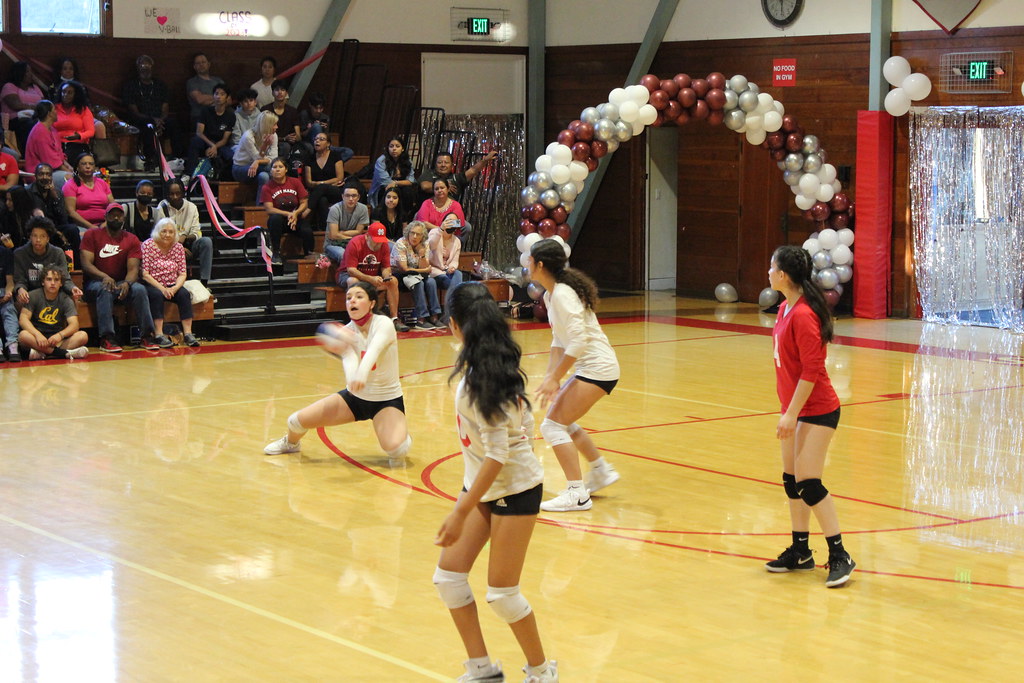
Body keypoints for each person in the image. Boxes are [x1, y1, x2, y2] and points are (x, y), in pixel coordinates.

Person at [433, 282, 558, 683]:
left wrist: (459, 512)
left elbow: (497, 455)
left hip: (515, 489)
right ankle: (482, 669)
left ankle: (541, 671)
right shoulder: (486, 363)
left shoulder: (479, 382)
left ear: (454, 325)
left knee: (503, 594)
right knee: (449, 579)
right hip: (483, 486)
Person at [765, 244, 855, 588]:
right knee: (792, 480)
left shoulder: (803, 314)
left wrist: (791, 414)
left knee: (808, 482)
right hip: (795, 409)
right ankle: (801, 551)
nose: (768, 273)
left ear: (783, 274)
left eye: (771, 268)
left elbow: (812, 370)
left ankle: (840, 554)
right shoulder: (786, 307)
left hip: (817, 409)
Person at [263, 280, 412, 466]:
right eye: (349, 298)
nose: (352, 302)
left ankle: (400, 433)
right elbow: (349, 358)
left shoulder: (384, 324)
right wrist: (353, 381)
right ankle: (291, 443)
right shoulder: (345, 332)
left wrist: (361, 376)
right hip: (355, 399)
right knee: (294, 421)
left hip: (386, 400)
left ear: (372, 303)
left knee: (397, 450)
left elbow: (373, 350)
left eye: (359, 297)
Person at [528, 238, 621, 512]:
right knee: (561, 421)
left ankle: (577, 494)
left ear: (540, 264)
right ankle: (601, 470)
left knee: (552, 426)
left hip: (598, 369)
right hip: (594, 369)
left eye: (530, 261)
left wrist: (557, 378)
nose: (528, 265)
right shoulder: (551, 294)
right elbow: (559, 341)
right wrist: (549, 378)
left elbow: (578, 342)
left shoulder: (563, 294)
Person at [80, 202, 158, 352]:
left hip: (121, 282)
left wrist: (128, 283)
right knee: (105, 288)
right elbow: (86, 265)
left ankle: (147, 336)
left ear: (124, 218)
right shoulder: (92, 234)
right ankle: (107, 338)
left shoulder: (131, 239)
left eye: (119, 215)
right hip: (95, 283)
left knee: (140, 289)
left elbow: (134, 268)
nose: (116, 217)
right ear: (106, 216)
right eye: (112, 214)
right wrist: (104, 276)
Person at [141, 218, 201, 348]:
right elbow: (145, 274)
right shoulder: (148, 245)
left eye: (171, 232)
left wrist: (174, 288)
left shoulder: (178, 247)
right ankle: (158, 334)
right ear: (157, 232)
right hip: (153, 284)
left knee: (184, 294)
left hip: (172, 284)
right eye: (164, 231)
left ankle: (188, 334)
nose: (167, 235)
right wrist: (162, 289)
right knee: (156, 296)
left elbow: (182, 274)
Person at [342, 222, 409, 333]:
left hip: (372, 275)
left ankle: (394, 319)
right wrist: (370, 279)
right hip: (349, 274)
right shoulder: (355, 243)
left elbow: (385, 267)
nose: (378, 244)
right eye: (375, 241)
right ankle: (355, 321)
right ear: (367, 236)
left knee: (393, 281)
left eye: (381, 241)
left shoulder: (384, 245)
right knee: (353, 282)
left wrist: (386, 276)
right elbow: (351, 270)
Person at [122, 54, 183, 166]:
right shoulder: (131, 86)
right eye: (142, 66)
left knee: (174, 124)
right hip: (140, 119)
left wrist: (160, 121)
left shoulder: (160, 85)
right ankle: (151, 160)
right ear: (138, 68)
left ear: (152, 67)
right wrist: (153, 120)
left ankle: (178, 158)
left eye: (148, 66)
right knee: (148, 126)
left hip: (160, 119)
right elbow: (134, 111)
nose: (145, 68)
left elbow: (165, 108)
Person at [17, 267, 89, 360]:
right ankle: (61, 353)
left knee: (83, 336)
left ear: (61, 283)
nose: (52, 283)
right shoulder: (33, 295)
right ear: (43, 282)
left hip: (57, 340)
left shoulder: (66, 299)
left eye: (56, 280)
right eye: (49, 279)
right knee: (23, 335)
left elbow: (74, 325)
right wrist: (37, 335)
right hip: (37, 339)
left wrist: (60, 335)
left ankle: (44, 353)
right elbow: (23, 319)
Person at [154, 179, 214, 287]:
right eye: (171, 194)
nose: (175, 197)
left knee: (206, 242)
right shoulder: (161, 208)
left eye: (178, 193)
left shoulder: (191, 207)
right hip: (169, 247)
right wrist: (178, 248)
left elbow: (196, 233)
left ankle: (205, 283)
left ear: (183, 193)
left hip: (189, 246)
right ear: (167, 195)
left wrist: (184, 237)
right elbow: (161, 234)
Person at [13, 216, 81, 305]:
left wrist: (72, 288)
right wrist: (20, 289)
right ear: (30, 237)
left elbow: (65, 279)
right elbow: (20, 280)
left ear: (48, 238)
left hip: (53, 293)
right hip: (30, 294)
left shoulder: (58, 253)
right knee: (20, 299)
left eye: (42, 236)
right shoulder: (19, 254)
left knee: (71, 298)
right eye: (34, 236)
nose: (38, 240)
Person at [260, 157, 311, 263]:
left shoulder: (295, 182)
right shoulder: (267, 187)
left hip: (295, 219)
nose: (277, 169)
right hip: (279, 221)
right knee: (275, 219)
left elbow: (304, 203)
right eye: (274, 167)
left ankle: (309, 253)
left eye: (280, 167)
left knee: (307, 230)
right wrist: (288, 214)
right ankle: (276, 253)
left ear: (286, 169)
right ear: (271, 171)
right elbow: (269, 209)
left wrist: (296, 213)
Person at [26, 164, 79, 265]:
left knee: (72, 230)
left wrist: (54, 197)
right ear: (35, 176)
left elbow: (63, 219)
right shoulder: (28, 192)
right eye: (41, 174)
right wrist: (56, 232)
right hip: (37, 228)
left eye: (48, 174)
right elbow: (36, 219)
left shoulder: (57, 192)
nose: (45, 177)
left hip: (56, 227)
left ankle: (77, 267)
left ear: (51, 177)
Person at [392, 221, 439, 330]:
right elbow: (404, 268)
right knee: (418, 282)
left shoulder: (425, 244)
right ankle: (420, 319)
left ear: (423, 236)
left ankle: (434, 317)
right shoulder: (401, 244)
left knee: (431, 282)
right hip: (400, 275)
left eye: (418, 234)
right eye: (412, 233)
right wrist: (424, 270)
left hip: (416, 273)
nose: (414, 236)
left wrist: (421, 255)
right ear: (408, 232)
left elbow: (425, 266)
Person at [186, 82, 234, 173]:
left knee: (230, 156)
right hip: (205, 141)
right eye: (216, 94)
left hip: (220, 144)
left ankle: (222, 179)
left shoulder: (230, 115)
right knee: (195, 141)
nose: (218, 96)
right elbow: (199, 133)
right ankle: (190, 173)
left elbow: (225, 139)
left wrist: (215, 146)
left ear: (227, 98)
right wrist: (211, 145)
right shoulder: (205, 111)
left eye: (222, 94)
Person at [62, 152, 115, 232]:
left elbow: (113, 205)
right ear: (77, 167)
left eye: (91, 164)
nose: (88, 166)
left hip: (105, 224)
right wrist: (91, 227)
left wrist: (106, 223)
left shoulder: (102, 183)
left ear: (94, 167)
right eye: (84, 164)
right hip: (82, 226)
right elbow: (71, 212)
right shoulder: (70, 185)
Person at [418, 150, 498, 203]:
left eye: (446, 162)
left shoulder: (456, 178)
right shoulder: (429, 173)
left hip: (449, 214)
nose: (443, 165)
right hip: (427, 214)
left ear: (452, 165)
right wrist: (445, 186)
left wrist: (485, 160)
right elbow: (425, 186)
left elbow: (473, 170)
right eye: (439, 162)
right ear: (435, 165)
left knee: (465, 226)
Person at [25, 100, 73, 187]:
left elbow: (59, 154)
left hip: (54, 170)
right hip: (41, 174)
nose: (56, 112)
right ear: (49, 114)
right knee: (70, 179)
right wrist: (68, 171)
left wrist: (68, 166)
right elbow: (50, 160)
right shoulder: (40, 132)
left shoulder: (52, 130)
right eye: (54, 110)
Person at [303, 131, 346, 229]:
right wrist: (323, 184)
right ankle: (324, 229)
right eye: (315, 139)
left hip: (335, 190)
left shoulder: (335, 156)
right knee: (322, 200)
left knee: (322, 188)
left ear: (328, 144)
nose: (317, 141)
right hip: (317, 192)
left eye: (321, 139)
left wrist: (321, 183)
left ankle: (308, 209)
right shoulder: (310, 158)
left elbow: (339, 178)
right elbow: (309, 182)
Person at [231, 110, 277, 200]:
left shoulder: (273, 135)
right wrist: (264, 146)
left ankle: (260, 208)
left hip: (258, 168)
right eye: (275, 124)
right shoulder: (248, 136)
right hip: (241, 169)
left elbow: (274, 158)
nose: (277, 127)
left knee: (264, 176)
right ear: (267, 125)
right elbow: (259, 158)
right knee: (271, 168)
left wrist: (258, 161)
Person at [2, 61, 46, 153]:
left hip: (36, 117)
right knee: (31, 125)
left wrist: (35, 108)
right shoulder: (9, 86)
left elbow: (44, 105)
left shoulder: (35, 88)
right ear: (19, 72)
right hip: (16, 119)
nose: (30, 74)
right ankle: (29, 152)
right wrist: (35, 107)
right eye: (27, 72)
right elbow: (16, 105)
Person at [427, 220, 464, 323]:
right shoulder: (435, 232)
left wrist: (452, 267)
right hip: (434, 271)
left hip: (447, 272)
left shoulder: (456, 241)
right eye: (448, 220)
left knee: (458, 273)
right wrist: (441, 229)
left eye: (454, 221)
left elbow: (455, 260)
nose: (451, 223)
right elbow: (430, 246)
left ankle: (451, 313)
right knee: (440, 281)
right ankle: (452, 313)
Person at [368, 137, 416, 211]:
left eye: (397, 146)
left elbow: (410, 181)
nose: (394, 149)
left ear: (402, 149)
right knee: (390, 191)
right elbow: (386, 182)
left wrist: (396, 183)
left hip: (400, 186)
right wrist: (398, 183)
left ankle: (404, 216)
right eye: (391, 146)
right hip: (383, 188)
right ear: (388, 148)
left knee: (408, 191)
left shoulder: (407, 161)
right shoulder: (381, 161)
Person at [54, 80, 95, 162]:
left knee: (71, 156)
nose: (65, 95)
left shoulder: (83, 110)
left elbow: (91, 131)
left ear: (75, 95)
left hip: (77, 144)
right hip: (57, 144)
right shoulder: (54, 108)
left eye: (70, 93)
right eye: (63, 92)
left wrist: (79, 136)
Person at [323, 186, 369, 262]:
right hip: (333, 244)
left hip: (353, 243)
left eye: (354, 196)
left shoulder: (363, 209)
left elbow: (359, 231)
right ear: (343, 196)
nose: (351, 199)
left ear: (358, 197)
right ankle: (344, 274)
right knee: (343, 254)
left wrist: (341, 233)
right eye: (347, 195)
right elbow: (333, 235)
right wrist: (352, 237)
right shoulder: (335, 209)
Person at [260, 80, 300, 159]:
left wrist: (295, 137)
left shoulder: (293, 111)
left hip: (289, 142)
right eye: (277, 90)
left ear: (286, 93)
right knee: (285, 146)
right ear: (272, 93)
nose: (280, 92)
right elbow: (263, 134)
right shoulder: (265, 110)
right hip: (270, 142)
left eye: (282, 90)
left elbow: (298, 135)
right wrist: (284, 138)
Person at [186, 53, 221, 124]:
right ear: (194, 67)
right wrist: (219, 99)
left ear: (209, 64)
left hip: (221, 115)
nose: (201, 65)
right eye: (198, 63)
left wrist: (208, 98)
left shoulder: (218, 81)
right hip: (201, 117)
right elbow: (200, 100)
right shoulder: (192, 82)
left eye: (203, 62)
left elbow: (229, 99)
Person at [0, 243, 20, 361]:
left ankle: (13, 345)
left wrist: (8, 293)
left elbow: (10, 282)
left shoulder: (6, 253)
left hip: (3, 292)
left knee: (9, 309)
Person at [230, 88, 260, 157]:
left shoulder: (260, 115)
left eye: (251, 100)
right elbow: (236, 138)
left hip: (256, 145)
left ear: (255, 102)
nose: (249, 103)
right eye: (245, 101)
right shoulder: (236, 116)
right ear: (241, 103)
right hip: (240, 145)